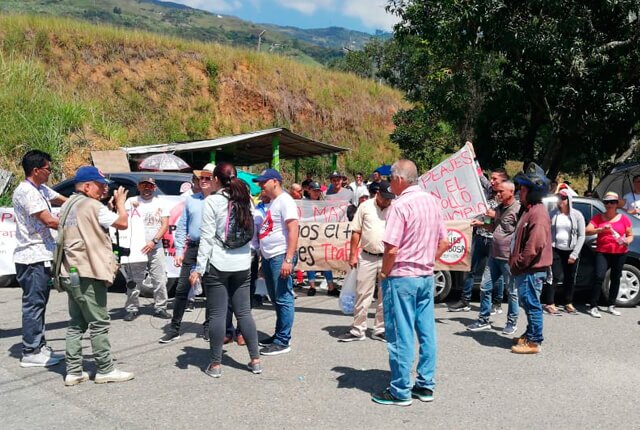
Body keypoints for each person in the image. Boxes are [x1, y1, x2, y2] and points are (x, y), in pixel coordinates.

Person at [371, 160, 449, 407]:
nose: (389, 183)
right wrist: (426, 259)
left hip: (402, 276)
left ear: (400, 179)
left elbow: (391, 249)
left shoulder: (400, 205)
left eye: (391, 178)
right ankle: (425, 385)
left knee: (400, 334)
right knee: (427, 333)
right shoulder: (432, 202)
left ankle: (400, 390)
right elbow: (444, 242)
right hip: (425, 276)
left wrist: (384, 273)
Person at [59, 166, 134, 385]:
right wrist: (120, 205)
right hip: (89, 271)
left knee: (76, 322)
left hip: (70, 271)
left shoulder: (68, 205)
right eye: (101, 186)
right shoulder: (92, 205)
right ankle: (105, 369)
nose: (104, 190)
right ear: (87, 186)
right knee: (99, 322)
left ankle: (73, 371)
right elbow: (122, 223)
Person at [189, 162, 262, 378]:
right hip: (242, 264)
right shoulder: (246, 200)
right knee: (244, 313)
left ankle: (215, 364)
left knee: (218, 314)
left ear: (216, 180)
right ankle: (255, 360)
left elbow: (207, 238)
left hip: (219, 264)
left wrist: (199, 269)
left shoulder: (212, 202)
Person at [12, 150, 67, 368]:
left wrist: (79, 202)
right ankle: (30, 351)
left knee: (40, 303)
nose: (50, 173)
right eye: (48, 169)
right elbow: (49, 221)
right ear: (36, 170)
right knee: (33, 305)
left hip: (42, 255)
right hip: (31, 257)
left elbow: (62, 198)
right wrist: (78, 221)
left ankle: (39, 345)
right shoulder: (26, 192)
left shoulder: (40, 188)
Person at [160, 165, 215, 343]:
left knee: (211, 289)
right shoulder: (191, 200)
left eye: (208, 178)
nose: (204, 181)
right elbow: (182, 226)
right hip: (193, 247)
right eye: (201, 178)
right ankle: (174, 327)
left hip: (213, 249)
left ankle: (208, 327)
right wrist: (178, 251)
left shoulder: (220, 201)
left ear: (215, 180)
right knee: (182, 288)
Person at [339, 181, 394, 343]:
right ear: (378, 194)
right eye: (385, 198)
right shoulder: (365, 207)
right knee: (363, 293)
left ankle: (380, 329)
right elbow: (356, 231)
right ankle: (358, 329)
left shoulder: (394, 208)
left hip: (387, 257)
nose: (387, 202)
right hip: (367, 256)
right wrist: (352, 255)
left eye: (390, 199)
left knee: (385, 295)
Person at [252, 168, 300, 356]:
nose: (261, 185)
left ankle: (283, 340)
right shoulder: (274, 202)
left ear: (275, 181)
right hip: (271, 256)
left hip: (281, 255)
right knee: (276, 297)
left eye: (264, 182)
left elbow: (293, 230)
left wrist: (288, 259)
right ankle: (279, 334)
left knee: (283, 298)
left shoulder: (285, 200)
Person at [449, 169, 508, 312]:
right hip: (480, 236)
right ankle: (465, 301)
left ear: (503, 181)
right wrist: (472, 157)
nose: (492, 181)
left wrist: (494, 215)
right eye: (492, 179)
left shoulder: (505, 197)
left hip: (494, 239)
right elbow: (479, 175)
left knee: (497, 273)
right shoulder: (488, 191)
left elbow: (507, 219)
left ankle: (497, 303)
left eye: (495, 179)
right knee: (470, 269)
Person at [467, 180, 520, 335]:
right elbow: (491, 226)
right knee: (485, 286)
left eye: (501, 192)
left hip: (508, 258)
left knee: (512, 291)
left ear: (511, 192)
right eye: (497, 192)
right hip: (494, 255)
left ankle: (512, 322)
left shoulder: (517, 210)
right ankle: (483, 319)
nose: (498, 194)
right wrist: (481, 223)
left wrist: (495, 214)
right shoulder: (497, 208)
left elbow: (519, 232)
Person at [510, 163, 552, 354]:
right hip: (527, 270)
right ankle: (529, 334)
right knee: (528, 304)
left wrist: (518, 263)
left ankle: (534, 342)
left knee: (532, 305)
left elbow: (534, 246)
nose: (521, 192)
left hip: (531, 270)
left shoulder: (538, 213)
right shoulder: (530, 210)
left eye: (524, 189)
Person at [122, 177, 170, 321]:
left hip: (155, 247)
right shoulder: (130, 202)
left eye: (150, 186)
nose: (147, 188)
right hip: (136, 248)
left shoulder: (161, 203)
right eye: (144, 185)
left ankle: (160, 307)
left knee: (159, 279)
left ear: (154, 188)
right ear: (139, 187)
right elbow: (123, 220)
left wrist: (153, 241)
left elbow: (165, 225)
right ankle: (132, 308)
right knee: (133, 281)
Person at [585, 191, 633, 318]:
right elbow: (587, 231)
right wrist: (600, 229)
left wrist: (627, 240)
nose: (609, 204)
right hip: (603, 252)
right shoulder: (598, 217)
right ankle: (593, 306)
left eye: (612, 202)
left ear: (617, 204)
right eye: (607, 202)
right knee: (599, 276)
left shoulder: (624, 218)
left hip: (620, 252)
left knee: (616, 278)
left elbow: (630, 235)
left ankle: (611, 305)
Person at [543, 189, 586, 315]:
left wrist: (574, 253)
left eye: (562, 198)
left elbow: (581, 235)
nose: (560, 200)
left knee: (570, 277)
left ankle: (568, 302)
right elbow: (547, 230)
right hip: (556, 249)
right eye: (558, 197)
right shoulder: (553, 214)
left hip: (571, 250)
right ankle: (550, 303)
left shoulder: (577, 215)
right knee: (554, 276)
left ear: (568, 200)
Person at [305, 181, 338, 297]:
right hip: (309, 235)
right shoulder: (303, 203)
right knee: (310, 261)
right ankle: (312, 286)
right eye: (314, 190)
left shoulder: (323, 203)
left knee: (326, 261)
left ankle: (331, 286)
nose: (316, 193)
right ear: (309, 190)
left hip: (322, 235)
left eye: (318, 191)